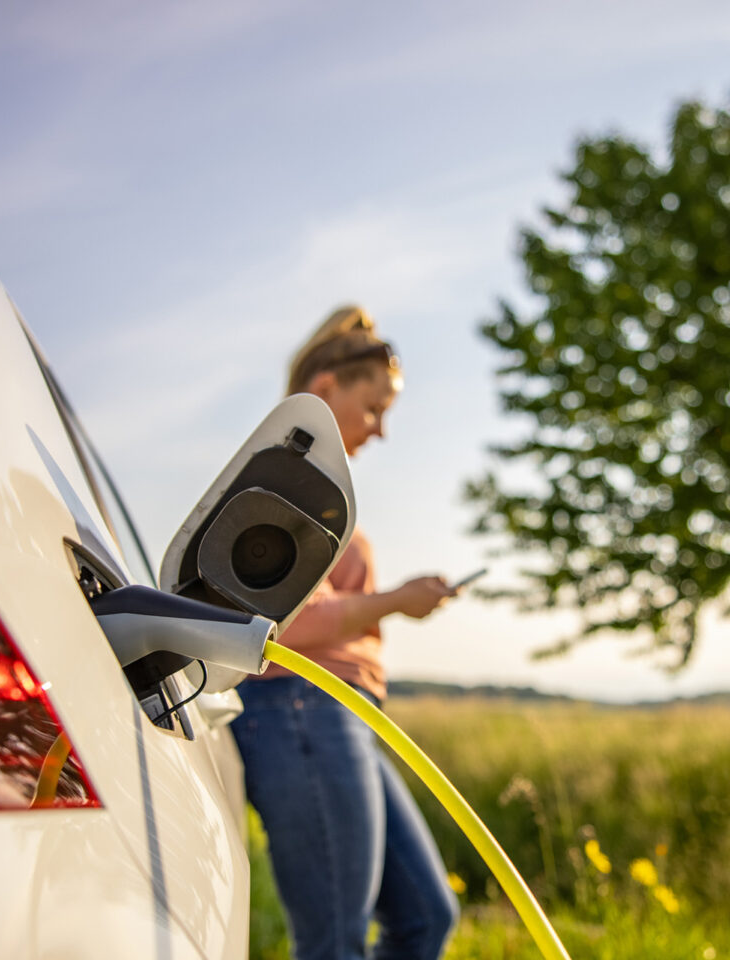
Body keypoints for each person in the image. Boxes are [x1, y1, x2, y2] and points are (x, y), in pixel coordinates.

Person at [231, 305, 460, 960]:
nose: (381, 430)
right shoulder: (280, 478)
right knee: (333, 945)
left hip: (341, 718)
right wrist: (394, 601)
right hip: (300, 712)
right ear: (327, 388)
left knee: (426, 917)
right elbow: (284, 616)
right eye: (375, 407)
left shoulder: (313, 481)